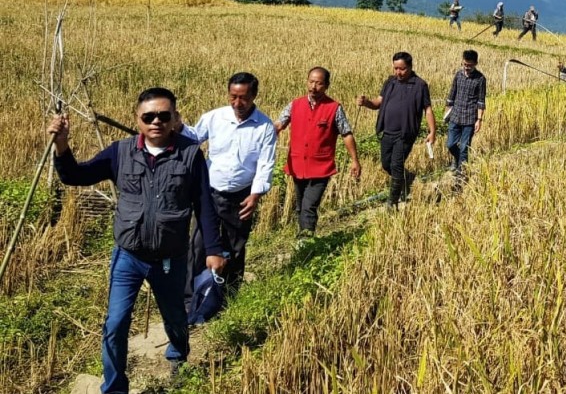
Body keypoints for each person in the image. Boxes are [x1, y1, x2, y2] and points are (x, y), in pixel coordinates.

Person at [48, 88, 226, 392]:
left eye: (163, 115)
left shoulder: (190, 154)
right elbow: (76, 176)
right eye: (149, 116)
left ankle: (177, 356)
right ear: (138, 119)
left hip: (171, 256)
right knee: (115, 323)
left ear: (174, 119)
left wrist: (213, 249)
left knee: (174, 318)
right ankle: (115, 386)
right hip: (128, 255)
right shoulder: (120, 151)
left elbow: (203, 205)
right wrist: (62, 145)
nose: (156, 121)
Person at [180, 72, 276, 295]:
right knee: (198, 244)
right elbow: (194, 138)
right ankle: (190, 297)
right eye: (233, 96)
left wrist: (256, 195)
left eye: (243, 97)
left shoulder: (264, 127)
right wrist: (178, 126)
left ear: (254, 95)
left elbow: (265, 164)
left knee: (236, 246)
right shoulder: (215, 118)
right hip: (209, 193)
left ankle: (229, 295)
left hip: (242, 196)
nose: (237, 103)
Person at [273, 67, 362, 236]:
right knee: (300, 206)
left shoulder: (334, 108)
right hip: (297, 164)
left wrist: (355, 160)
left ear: (327, 85)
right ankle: (304, 237)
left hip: (321, 167)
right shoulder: (294, 105)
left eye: (319, 83)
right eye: (311, 82)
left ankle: (305, 242)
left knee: (309, 206)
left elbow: (346, 134)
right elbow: (280, 124)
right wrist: (268, 132)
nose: (313, 87)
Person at [357, 51, 436, 207]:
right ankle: (407, 178)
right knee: (386, 164)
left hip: (405, 133)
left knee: (396, 165)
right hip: (387, 131)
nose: (398, 72)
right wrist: (366, 102)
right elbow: (378, 103)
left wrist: (432, 131)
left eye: (402, 69)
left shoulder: (420, 85)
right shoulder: (390, 83)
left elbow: (427, 109)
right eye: (395, 68)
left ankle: (392, 202)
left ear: (410, 67)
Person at [444, 49, 487, 184]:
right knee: (450, 144)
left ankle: (462, 172)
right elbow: (452, 94)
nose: (467, 68)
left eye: (470, 65)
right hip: (455, 115)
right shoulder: (458, 75)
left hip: (469, 118)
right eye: (465, 65)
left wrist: (479, 120)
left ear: (476, 64)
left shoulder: (480, 79)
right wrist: (447, 113)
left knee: (464, 147)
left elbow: (481, 101)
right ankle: (456, 160)